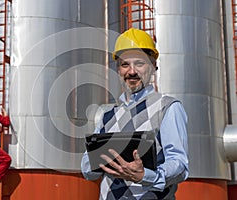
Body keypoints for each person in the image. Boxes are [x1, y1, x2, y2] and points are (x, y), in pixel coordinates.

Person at [81, 28, 189, 200]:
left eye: (139, 63)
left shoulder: (168, 107)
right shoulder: (107, 115)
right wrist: (98, 162)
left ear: (153, 66)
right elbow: (87, 169)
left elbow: (179, 165)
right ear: (118, 69)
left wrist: (145, 176)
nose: (131, 71)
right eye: (125, 65)